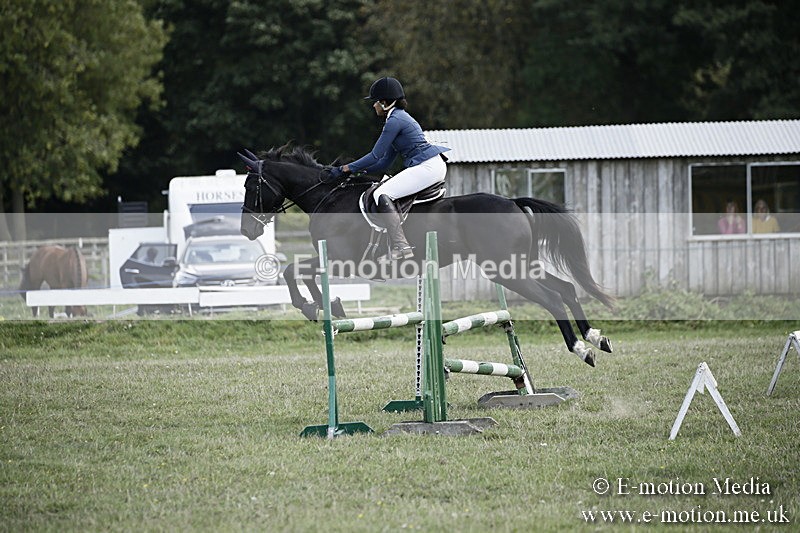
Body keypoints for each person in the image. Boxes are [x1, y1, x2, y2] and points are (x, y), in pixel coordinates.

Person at [329, 77, 450, 259]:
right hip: (430, 165)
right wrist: (359, 172)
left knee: (380, 195)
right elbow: (384, 163)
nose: (373, 106)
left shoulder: (394, 121)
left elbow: (374, 155)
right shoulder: (396, 118)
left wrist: (346, 169)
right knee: (384, 189)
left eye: (375, 102)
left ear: (385, 103)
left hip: (428, 166)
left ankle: (401, 246)